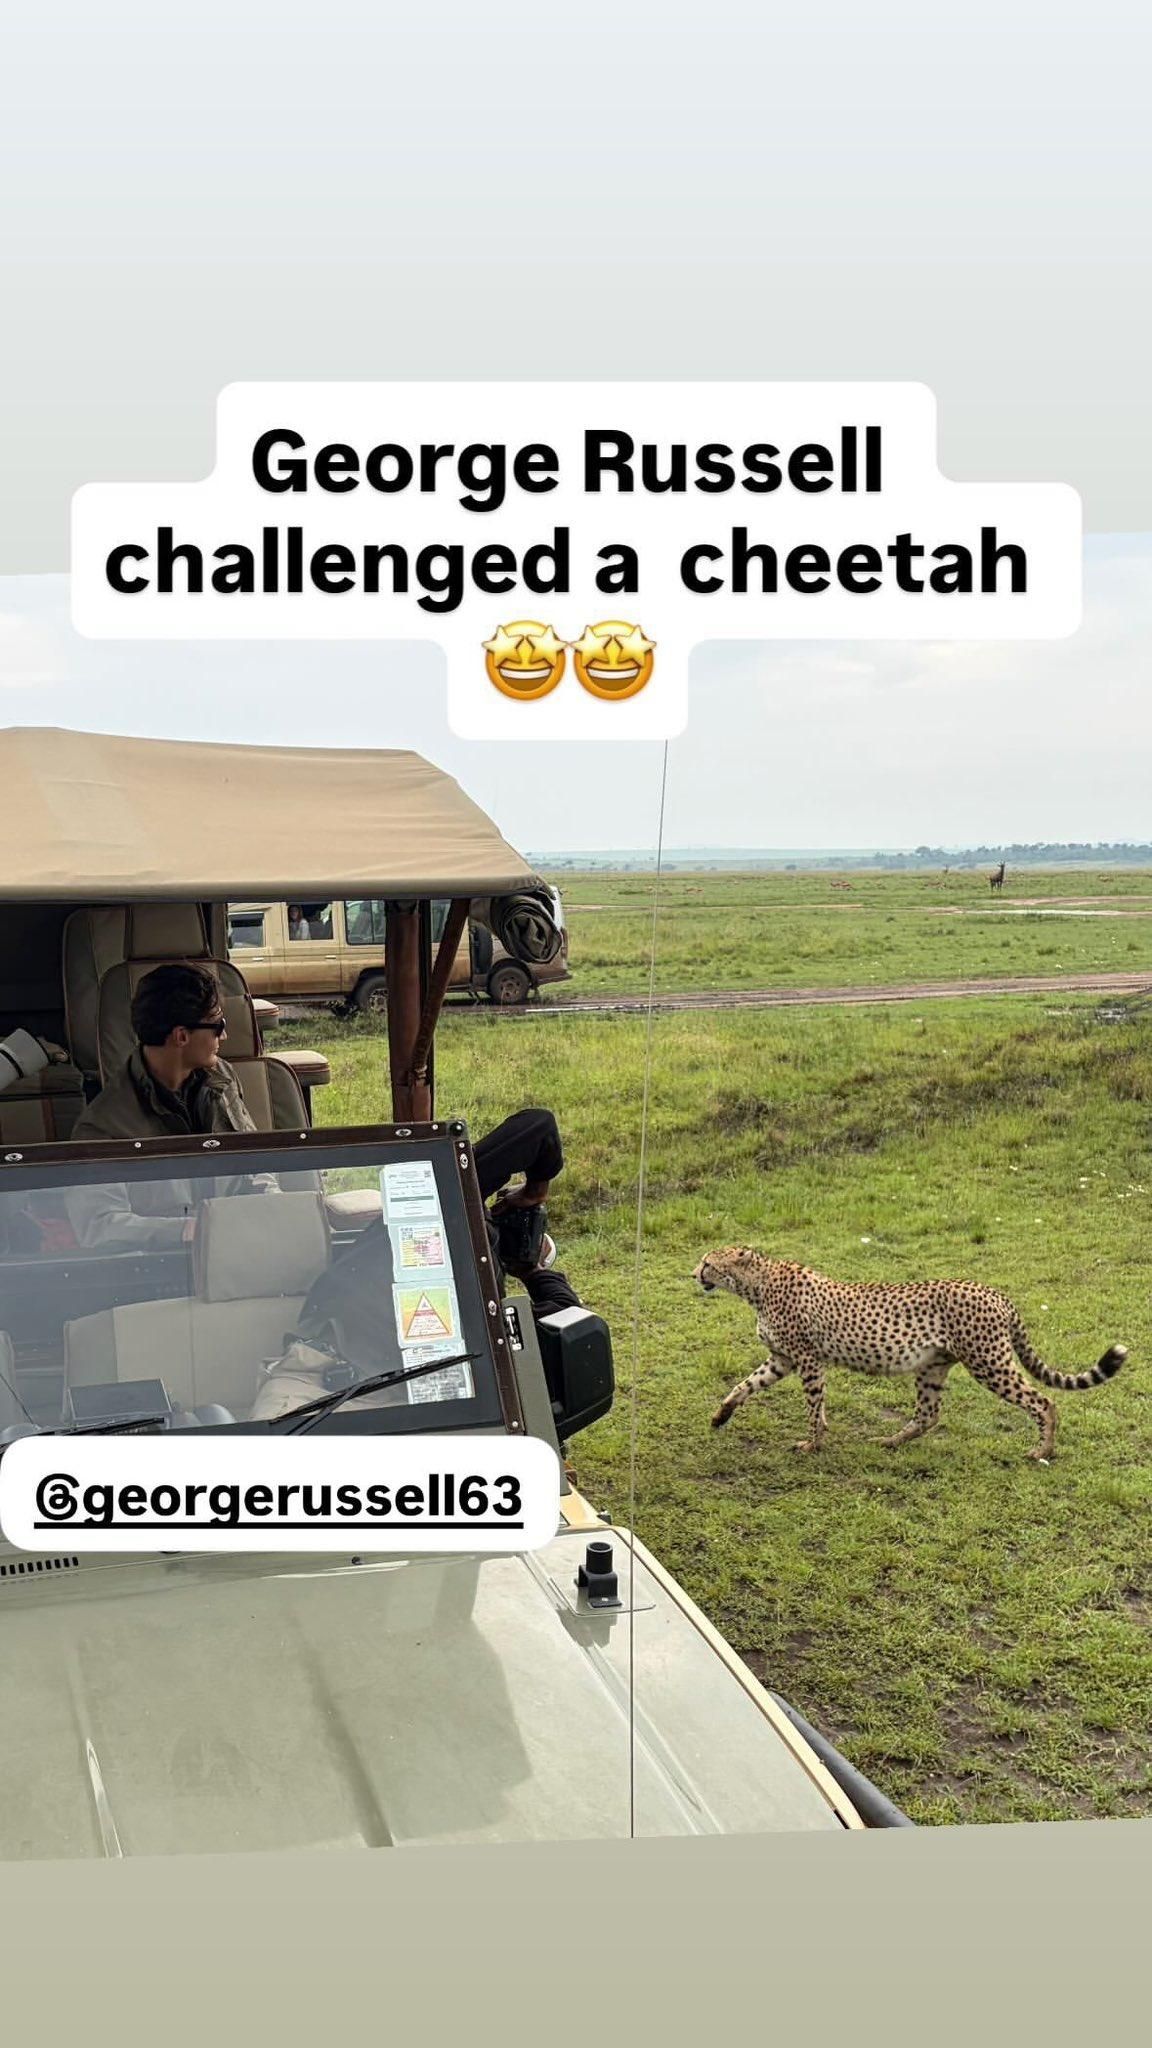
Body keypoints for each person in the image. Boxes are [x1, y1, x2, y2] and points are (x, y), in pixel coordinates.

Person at [68, 964, 270, 1250]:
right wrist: (185, 1231)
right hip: (160, 1264)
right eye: (218, 1026)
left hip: (240, 1249)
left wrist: (273, 1207)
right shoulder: (104, 1126)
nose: (224, 1036)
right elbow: (99, 1224)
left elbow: (255, 1165)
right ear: (181, 1036)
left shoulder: (222, 1079)